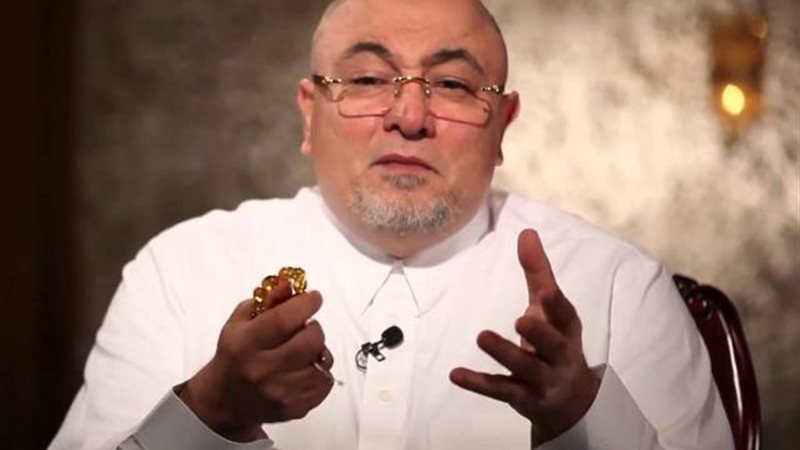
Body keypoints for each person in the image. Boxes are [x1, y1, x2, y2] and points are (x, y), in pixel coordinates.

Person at [49, 0, 734, 449]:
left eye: (454, 85)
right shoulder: (181, 272)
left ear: (503, 125)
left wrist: (584, 419)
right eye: (370, 80)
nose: (409, 117)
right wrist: (210, 413)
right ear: (309, 113)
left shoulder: (617, 287)